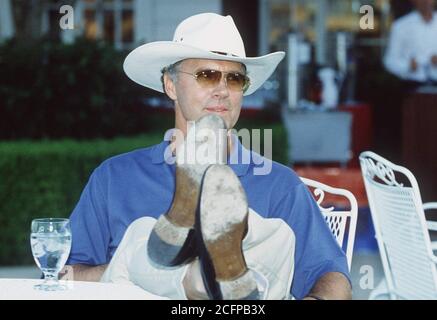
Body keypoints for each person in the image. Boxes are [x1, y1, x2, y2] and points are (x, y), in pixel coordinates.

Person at [64, 12, 352, 300]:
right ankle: (191, 271)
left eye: (235, 79)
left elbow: (331, 275)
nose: (223, 91)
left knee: (275, 236)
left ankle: (210, 260)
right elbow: (63, 275)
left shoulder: (279, 184)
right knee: (139, 241)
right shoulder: (116, 177)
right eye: (207, 75)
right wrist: (123, 276)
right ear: (170, 85)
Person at [384, 0, 437, 88]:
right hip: (411, 86)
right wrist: (408, 65)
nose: (425, 1)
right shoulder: (401, 26)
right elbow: (390, 60)